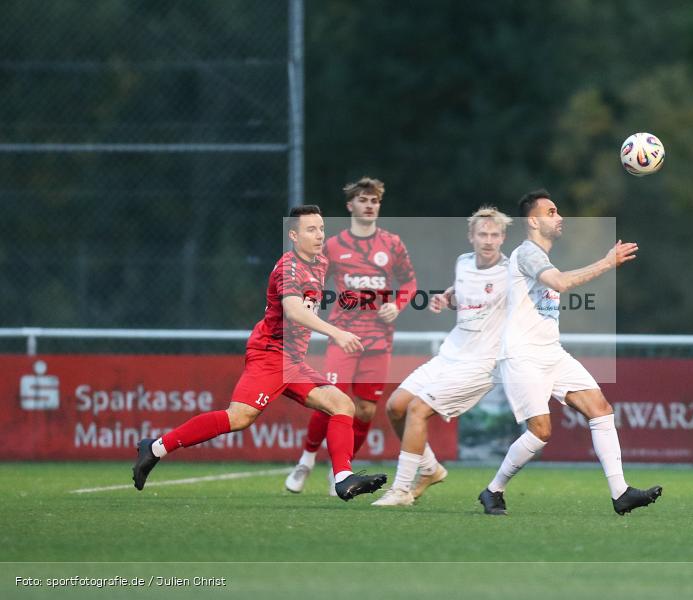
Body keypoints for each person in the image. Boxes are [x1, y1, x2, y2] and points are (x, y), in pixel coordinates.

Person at [132, 205, 387, 501]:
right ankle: (155, 448)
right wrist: (337, 332)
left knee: (342, 405)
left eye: (321, 229)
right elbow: (293, 311)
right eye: (311, 229)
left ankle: (342, 478)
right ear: (293, 235)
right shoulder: (288, 267)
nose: (319, 235)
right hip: (270, 355)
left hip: (292, 360)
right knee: (239, 418)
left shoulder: (319, 262)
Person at [477, 189, 662, 516]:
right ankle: (493, 490)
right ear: (533, 220)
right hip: (523, 356)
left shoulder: (541, 258)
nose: (559, 217)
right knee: (541, 433)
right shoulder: (528, 254)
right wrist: (607, 262)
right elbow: (560, 283)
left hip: (552, 354)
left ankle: (620, 493)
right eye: (551, 212)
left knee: (601, 409)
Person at [372, 206, 512, 506]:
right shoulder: (462, 262)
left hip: (481, 364)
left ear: (503, 238)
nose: (488, 240)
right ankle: (431, 469)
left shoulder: (512, 272)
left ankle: (400, 490)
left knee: (418, 409)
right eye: (482, 234)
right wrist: (446, 298)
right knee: (396, 406)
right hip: (450, 353)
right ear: (471, 237)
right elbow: (464, 294)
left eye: (495, 235)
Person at [285, 177, 417, 494]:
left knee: (367, 410)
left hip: (379, 339)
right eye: (363, 200)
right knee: (330, 399)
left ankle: (340, 472)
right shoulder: (333, 246)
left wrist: (397, 306)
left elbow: (410, 284)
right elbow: (315, 280)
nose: (369, 205)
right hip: (343, 336)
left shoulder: (392, 244)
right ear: (350, 205)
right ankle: (305, 461)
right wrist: (310, 304)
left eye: (374, 201)